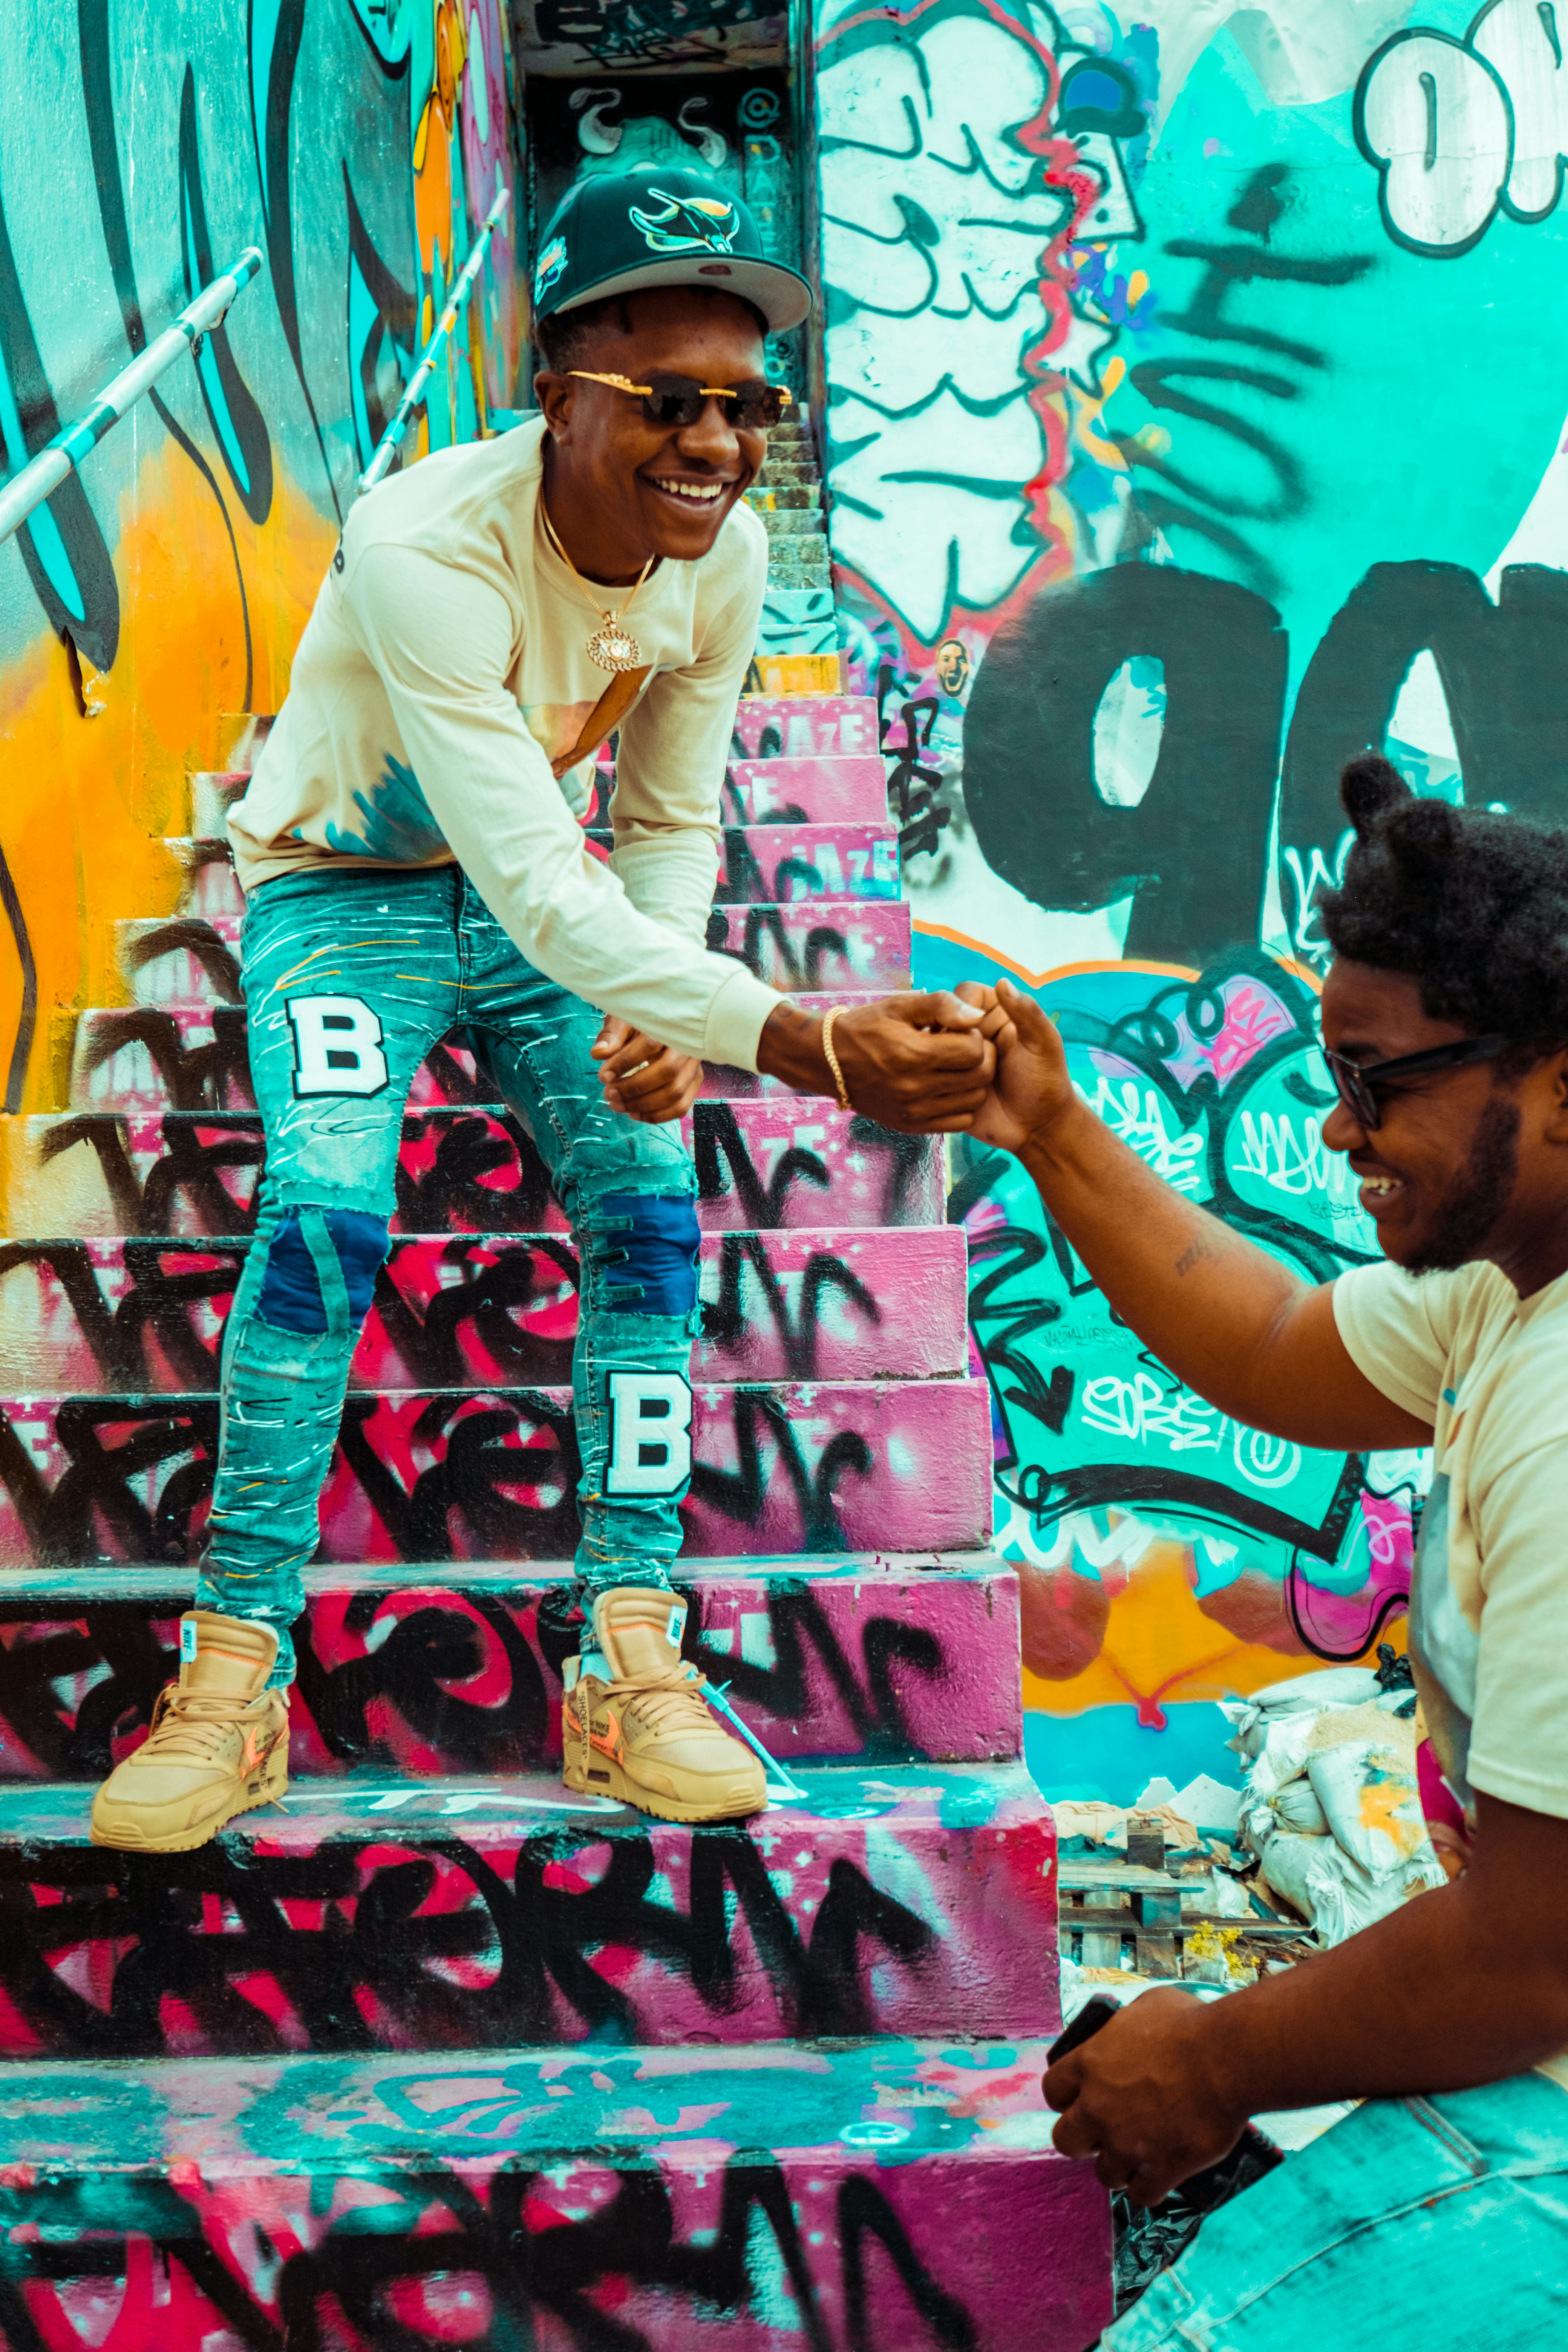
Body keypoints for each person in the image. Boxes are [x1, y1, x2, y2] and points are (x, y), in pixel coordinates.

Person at [88, 163, 995, 1855]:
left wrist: (670, 1008)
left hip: (546, 913)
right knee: (329, 1210)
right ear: (557, 390)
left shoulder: (708, 564)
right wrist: (784, 1035)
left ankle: (629, 1652)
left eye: (748, 405)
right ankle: (228, 1674)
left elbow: (654, 821)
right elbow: (531, 876)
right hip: (340, 896)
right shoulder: (426, 540)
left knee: (652, 1208)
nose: (715, 448)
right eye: (671, 402)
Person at [960, 754, 1568, 2343]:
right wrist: (1049, 1125)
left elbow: (1530, 1957)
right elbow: (1282, 1346)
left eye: (1377, 1084)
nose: (1333, 1125)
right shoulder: (1504, 1283)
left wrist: (1212, 2062)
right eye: (1327, 1071)